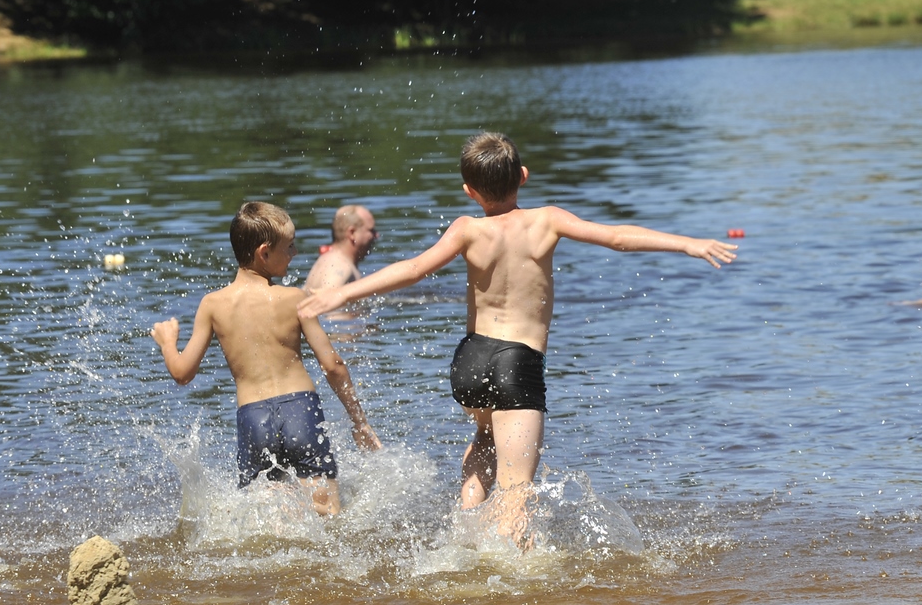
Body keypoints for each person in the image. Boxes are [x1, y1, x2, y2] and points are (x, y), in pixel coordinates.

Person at [298, 132, 736, 544]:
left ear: (469, 190)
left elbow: (412, 269)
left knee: (486, 442)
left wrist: (339, 293)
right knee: (517, 491)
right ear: (523, 177)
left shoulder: (467, 228)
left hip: (470, 361)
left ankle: (464, 533)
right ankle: (516, 590)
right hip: (516, 362)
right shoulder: (546, 221)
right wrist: (687, 243)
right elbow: (618, 238)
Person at [151, 201, 383, 516]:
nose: (295, 253)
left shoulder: (212, 304)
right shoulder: (295, 299)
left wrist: (167, 343)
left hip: (253, 420)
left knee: (271, 525)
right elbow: (334, 366)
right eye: (289, 247)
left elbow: (182, 373)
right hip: (301, 411)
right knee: (329, 516)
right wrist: (360, 421)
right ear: (264, 253)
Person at [304, 204, 377, 294]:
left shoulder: (329, 259)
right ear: (352, 233)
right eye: (371, 231)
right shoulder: (339, 265)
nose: (376, 235)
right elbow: (325, 299)